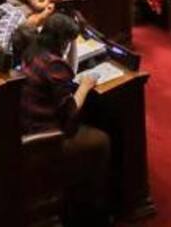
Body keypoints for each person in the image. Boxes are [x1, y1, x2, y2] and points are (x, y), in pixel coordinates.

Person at [19, 13, 110, 224]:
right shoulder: (54, 66)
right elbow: (70, 115)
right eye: (70, 41)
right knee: (102, 140)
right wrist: (86, 85)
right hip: (46, 136)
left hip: (28, 123)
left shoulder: (33, 50)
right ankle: (91, 211)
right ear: (62, 41)